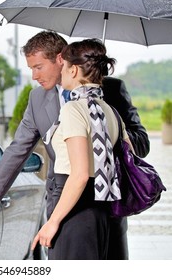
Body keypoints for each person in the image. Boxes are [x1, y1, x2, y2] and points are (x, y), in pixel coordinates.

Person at [0, 31, 149, 259]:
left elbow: (142, 144)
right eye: (31, 69)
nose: (34, 76)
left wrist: (105, 132)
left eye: (38, 67)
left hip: (107, 208)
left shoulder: (109, 93)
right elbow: (17, 150)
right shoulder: (37, 99)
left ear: (61, 59)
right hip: (63, 205)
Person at [30, 38, 135, 259]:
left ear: (74, 69)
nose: (63, 72)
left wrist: (53, 222)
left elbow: (78, 175)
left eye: (65, 67)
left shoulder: (73, 109)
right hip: (102, 213)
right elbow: (128, 156)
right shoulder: (109, 110)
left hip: (73, 212)